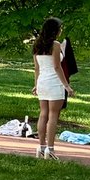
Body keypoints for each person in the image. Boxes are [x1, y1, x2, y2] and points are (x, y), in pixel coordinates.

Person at [32, 16, 74, 160]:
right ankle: (50, 148)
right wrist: (66, 86)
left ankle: (41, 147)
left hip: (42, 81)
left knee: (43, 114)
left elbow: (36, 68)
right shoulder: (55, 45)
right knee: (53, 116)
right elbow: (57, 66)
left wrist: (36, 84)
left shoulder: (37, 44)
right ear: (55, 30)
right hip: (54, 82)